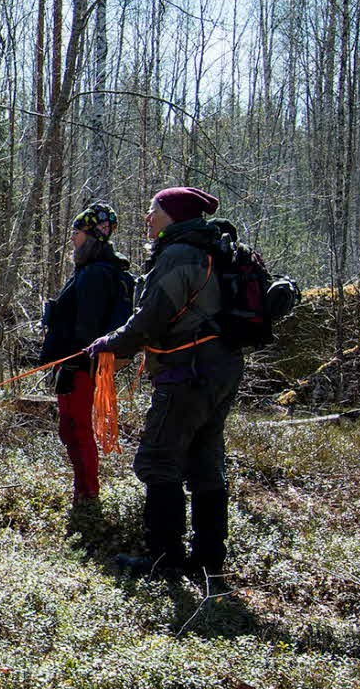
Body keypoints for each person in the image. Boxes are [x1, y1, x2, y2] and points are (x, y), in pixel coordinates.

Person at [90, 187, 244, 585]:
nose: (147, 217)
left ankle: (165, 561)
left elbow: (151, 318)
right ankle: (209, 561)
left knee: (160, 460)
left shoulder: (179, 255)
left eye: (153, 210)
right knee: (205, 465)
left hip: (187, 372)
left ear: (173, 214)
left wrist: (109, 343)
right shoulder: (208, 250)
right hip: (220, 369)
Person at [38, 203, 135, 507]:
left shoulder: (95, 274)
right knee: (69, 429)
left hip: (80, 367)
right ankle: (82, 491)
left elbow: (87, 329)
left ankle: (87, 495)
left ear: (91, 236)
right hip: (76, 365)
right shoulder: (92, 270)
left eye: (76, 233)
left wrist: (73, 364)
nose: (72, 239)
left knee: (78, 430)